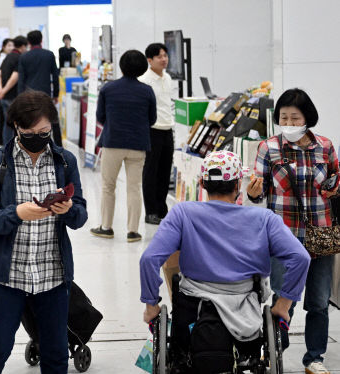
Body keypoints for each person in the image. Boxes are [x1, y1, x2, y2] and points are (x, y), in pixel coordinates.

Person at [140, 151, 310, 372]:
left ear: (202, 183)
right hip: (245, 317)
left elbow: (149, 258)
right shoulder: (264, 219)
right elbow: (301, 258)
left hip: (191, 315)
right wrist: (283, 306)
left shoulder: (183, 213)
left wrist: (151, 306)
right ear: (238, 184)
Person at [0, 90, 88, 373]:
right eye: (30, 131)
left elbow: (81, 216)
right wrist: (16, 213)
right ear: (16, 127)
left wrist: (69, 210)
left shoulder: (65, 162)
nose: (37, 136)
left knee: (56, 351)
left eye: (45, 130)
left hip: (52, 274)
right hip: (6, 276)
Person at [247, 88, 339, 374]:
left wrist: (333, 186)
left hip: (320, 235)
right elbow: (256, 193)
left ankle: (314, 358)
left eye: (294, 117)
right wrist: (252, 193)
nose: (288, 123)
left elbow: (336, 184)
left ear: (307, 118)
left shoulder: (325, 146)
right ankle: (276, 350)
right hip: (283, 238)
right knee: (283, 296)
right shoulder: (268, 147)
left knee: (319, 302)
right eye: (283, 117)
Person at [90, 50, 156, 243]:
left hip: (113, 143)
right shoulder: (147, 91)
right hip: (138, 144)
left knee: (108, 186)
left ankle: (106, 227)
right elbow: (151, 119)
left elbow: (100, 117)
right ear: (143, 67)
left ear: (121, 65)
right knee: (134, 187)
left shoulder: (108, 89)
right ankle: (133, 232)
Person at [139, 43, 174, 226]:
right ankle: (150, 211)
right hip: (152, 131)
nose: (164, 59)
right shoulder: (144, 81)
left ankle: (162, 209)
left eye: (165, 55)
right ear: (149, 60)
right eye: (159, 56)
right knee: (150, 173)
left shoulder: (167, 78)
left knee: (165, 173)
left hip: (168, 129)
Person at [17, 30, 62, 146]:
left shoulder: (24, 56)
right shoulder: (49, 55)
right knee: (53, 120)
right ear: (41, 40)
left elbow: (21, 79)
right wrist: (56, 94)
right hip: (45, 95)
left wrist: (20, 98)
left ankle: (30, 144)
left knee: (29, 121)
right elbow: (55, 76)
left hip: (28, 96)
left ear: (28, 42)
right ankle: (59, 147)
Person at [0, 35, 27, 145]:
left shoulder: (6, 57)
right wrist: (3, 91)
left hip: (4, 97)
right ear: (22, 47)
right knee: (18, 124)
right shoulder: (20, 58)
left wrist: (0, 90)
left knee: (7, 124)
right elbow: (15, 76)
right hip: (13, 97)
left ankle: (6, 148)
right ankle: (15, 148)